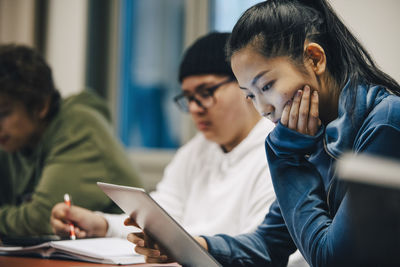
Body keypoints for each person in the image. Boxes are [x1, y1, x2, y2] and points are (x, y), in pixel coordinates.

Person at [127, 0, 400, 266]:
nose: (264, 109)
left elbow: (333, 259)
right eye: (250, 95)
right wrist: (188, 245)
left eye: (267, 86)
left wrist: (286, 159)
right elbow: (269, 245)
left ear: (315, 59)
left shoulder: (385, 124)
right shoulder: (312, 133)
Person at [51, 31, 287, 260]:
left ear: (244, 87)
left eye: (206, 92)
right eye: (188, 98)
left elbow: (260, 249)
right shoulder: (195, 151)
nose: (194, 108)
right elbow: (160, 219)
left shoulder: (278, 151)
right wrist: (100, 224)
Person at [0, 44, 142, 237]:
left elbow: (40, 219)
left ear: (40, 106)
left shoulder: (79, 128)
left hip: (123, 256)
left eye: (3, 113)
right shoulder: (14, 139)